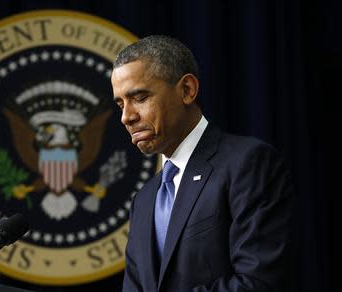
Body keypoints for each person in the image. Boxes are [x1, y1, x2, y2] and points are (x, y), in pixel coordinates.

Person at [111, 35, 295, 291]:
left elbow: (258, 282)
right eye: (120, 104)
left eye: (140, 98)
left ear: (187, 90)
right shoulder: (144, 201)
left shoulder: (247, 164)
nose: (126, 117)